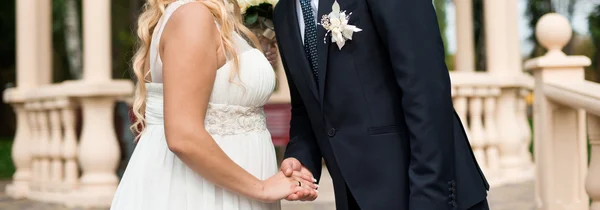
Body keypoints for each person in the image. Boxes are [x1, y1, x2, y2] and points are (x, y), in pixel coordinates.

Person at [273, 0, 490, 209]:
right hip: (353, 198)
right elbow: (305, 106)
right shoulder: (284, 14)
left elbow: (426, 91)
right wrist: (300, 156)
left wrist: (429, 197)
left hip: (421, 192)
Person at [110, 0, 317, 209]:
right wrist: (262, 188)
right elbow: (183, 136)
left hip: (233, 187)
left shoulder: (208, 17)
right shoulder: (192, 16)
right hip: (200, 192)